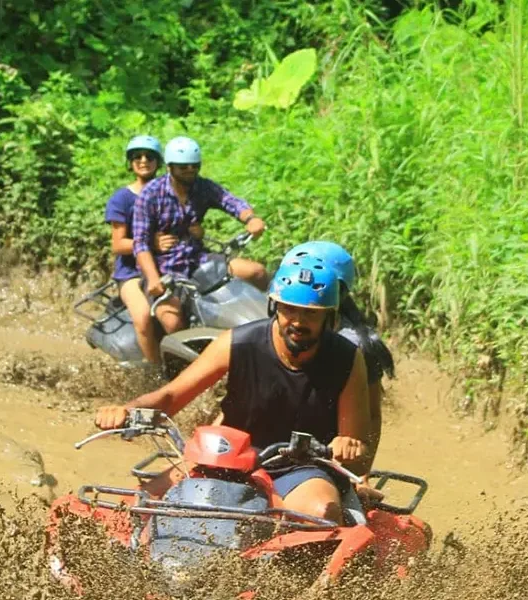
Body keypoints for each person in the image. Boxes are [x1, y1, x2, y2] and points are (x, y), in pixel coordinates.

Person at [94, 260, 371, 524]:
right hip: (224, 459)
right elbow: (171, 396)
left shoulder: (346, 358)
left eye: (310, 313)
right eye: (289, 309)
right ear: (275, 307)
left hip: (300, 468)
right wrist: (127, 410)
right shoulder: (238, 342)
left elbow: (354, 441)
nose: (298, 321)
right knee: (138, 505)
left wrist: (348, 445)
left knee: (323, 512)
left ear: (329, 317)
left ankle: (305, 572)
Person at [131, 136, 269, 334]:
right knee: (172, 322)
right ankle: (179, 364)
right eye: (183, 167)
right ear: (170, 167)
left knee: (256, 272)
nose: (189, 171)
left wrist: (251, 219)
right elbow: (141, 244)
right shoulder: (151, 195)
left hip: (198, 258)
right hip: (164, 268)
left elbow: (230, 201)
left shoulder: (202, 186)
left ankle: (273, 322)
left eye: (194, 166)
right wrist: (153, 278)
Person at [281, 241, 394, 458]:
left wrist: (361, 473)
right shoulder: (278, 329)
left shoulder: (355, 346)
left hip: (327, 451)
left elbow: (370, 417)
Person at [104, 135, 168, 364]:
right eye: (137, 156)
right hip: (131, 272)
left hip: (168, 265)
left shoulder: (168, 192)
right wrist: (149, 243)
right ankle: (155, 371)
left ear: (158, 162)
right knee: (143, 317)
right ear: (130, 162)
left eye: (149, 156)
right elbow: (118, 244)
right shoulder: (122, 198)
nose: (143, 161)